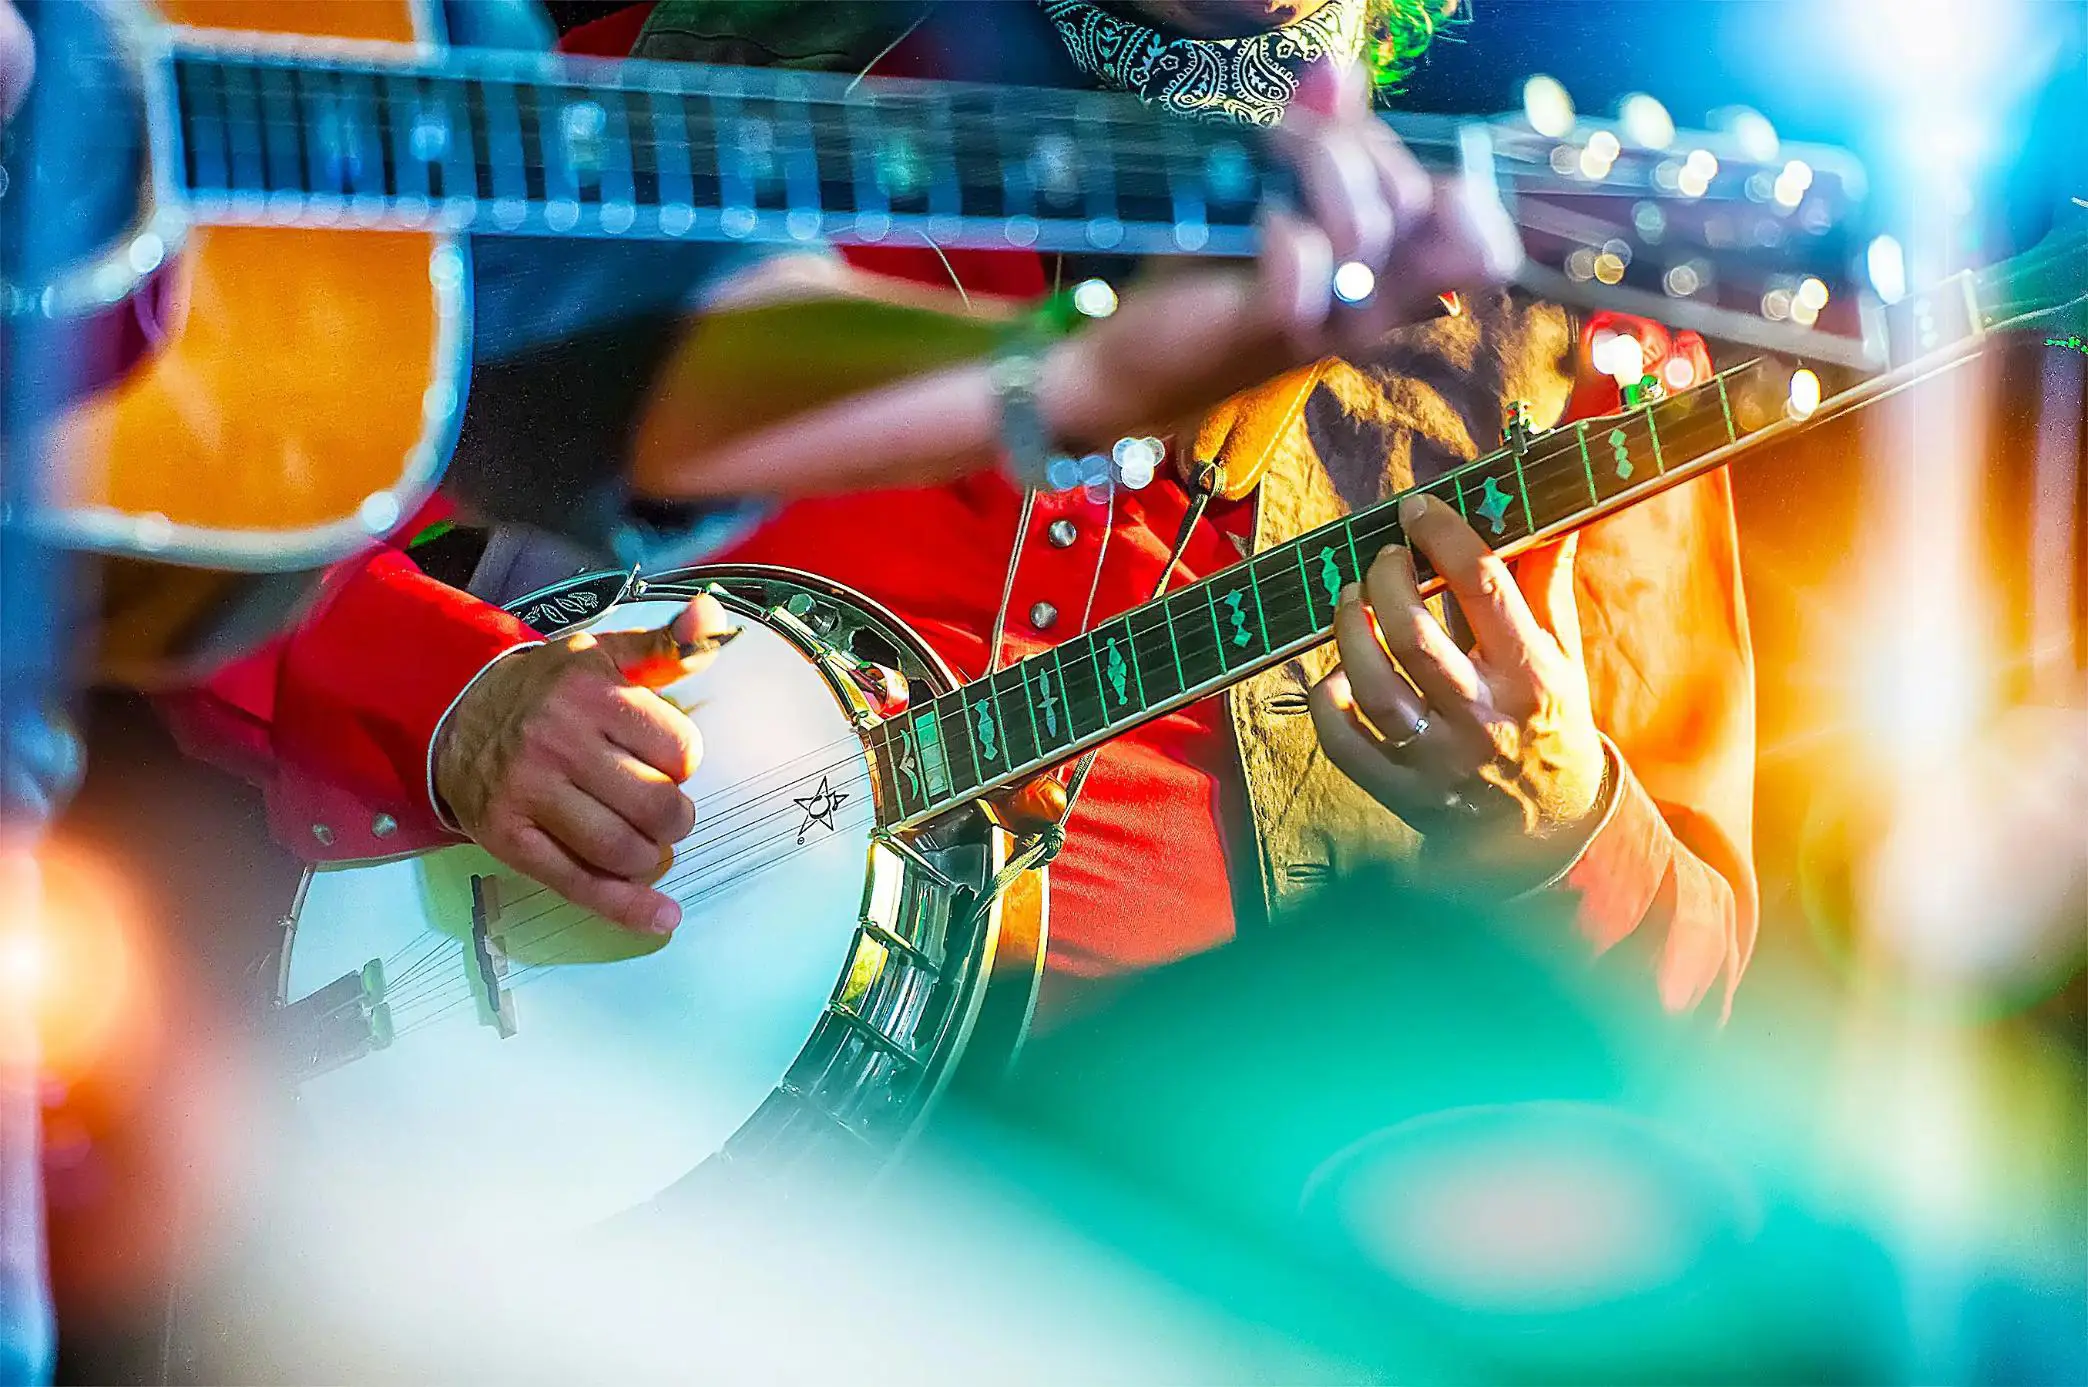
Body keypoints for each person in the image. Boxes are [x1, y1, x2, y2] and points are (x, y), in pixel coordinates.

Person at [167, 0, 1754, 1026]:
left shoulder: (1583, 353)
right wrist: (453, 697)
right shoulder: (692, 94)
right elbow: (169, 472)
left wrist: (1558, 823)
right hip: (540, 1166)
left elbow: (1702, 991)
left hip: (1117, 1255)